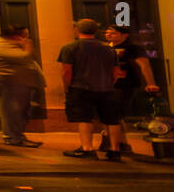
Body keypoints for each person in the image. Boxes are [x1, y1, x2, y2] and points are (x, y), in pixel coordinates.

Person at [57, 18, 123, 161]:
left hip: (81, 87)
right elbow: (116, 71)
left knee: (84, 118)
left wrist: (66, 87)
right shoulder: (108, 48)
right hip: (106, 88)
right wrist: (109, 83)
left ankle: (87, 149)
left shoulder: (70, 47)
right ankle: (115, 151)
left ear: (77, 30)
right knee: (111, 120)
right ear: (96, 31)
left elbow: (66, 71)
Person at [0, 25, 45, 147]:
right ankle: (12, 138)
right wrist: (27, 46)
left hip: (19, 83)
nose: (27, 38)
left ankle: (18, 136)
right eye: (25, 35)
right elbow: (24, 57)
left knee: (20, 111)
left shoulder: (11, 45)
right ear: (15, 36)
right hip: (10, 83)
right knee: (13, 111)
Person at [105, 23, 161, 153]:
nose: (109, 35)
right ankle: (120, 142)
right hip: (108, 84)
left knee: (116, 113)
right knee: (112, 114)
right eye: (107, 32)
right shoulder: (106, 47)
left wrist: (150, 83)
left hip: (126, 84)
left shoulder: (133, 49)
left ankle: (119, 143)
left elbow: (144, 65)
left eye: (113, 33)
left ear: (124, 35)